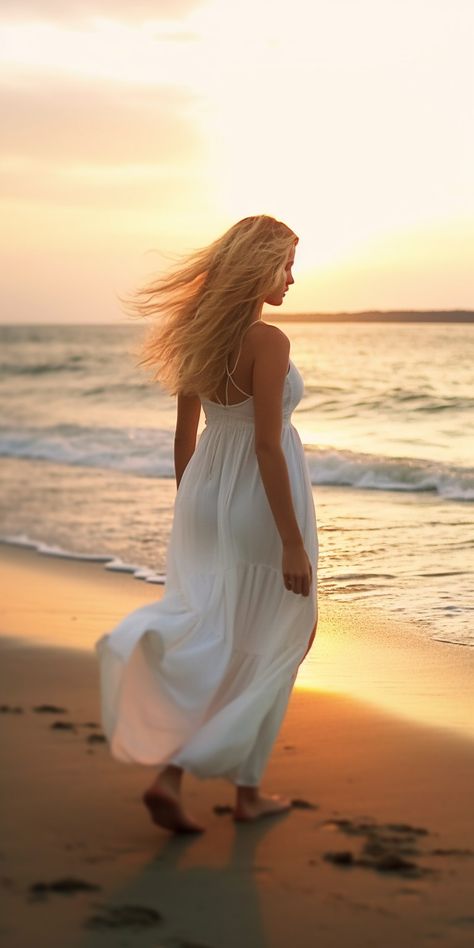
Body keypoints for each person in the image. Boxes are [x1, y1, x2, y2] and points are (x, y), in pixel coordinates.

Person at [96, 214, 318, 833]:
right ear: (259, 265)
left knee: (228, 633)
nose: (292, 278)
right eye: (287, 264)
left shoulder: (197, 332)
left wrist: (193, 512)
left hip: (206, 494)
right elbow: (269, 447)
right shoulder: (268, 341)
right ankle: (213, 783)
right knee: (281, 637)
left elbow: (183, 436)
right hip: (261, 500)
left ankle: (224, 787)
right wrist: (292, 543)